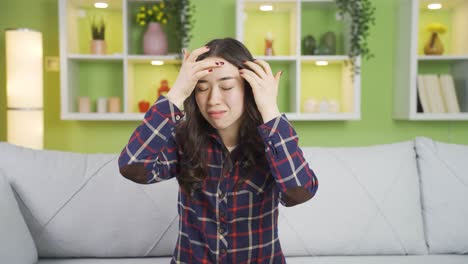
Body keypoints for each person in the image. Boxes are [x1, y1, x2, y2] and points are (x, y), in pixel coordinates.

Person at [118, 37, 319, 263]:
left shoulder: (273, 141)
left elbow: (300, 192)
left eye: (227, 87)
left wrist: (269, 109)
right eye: (202, 88)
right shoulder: (182, 139)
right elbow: (132, 166)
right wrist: (176, 95)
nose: (213, 100)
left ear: (250, 89)